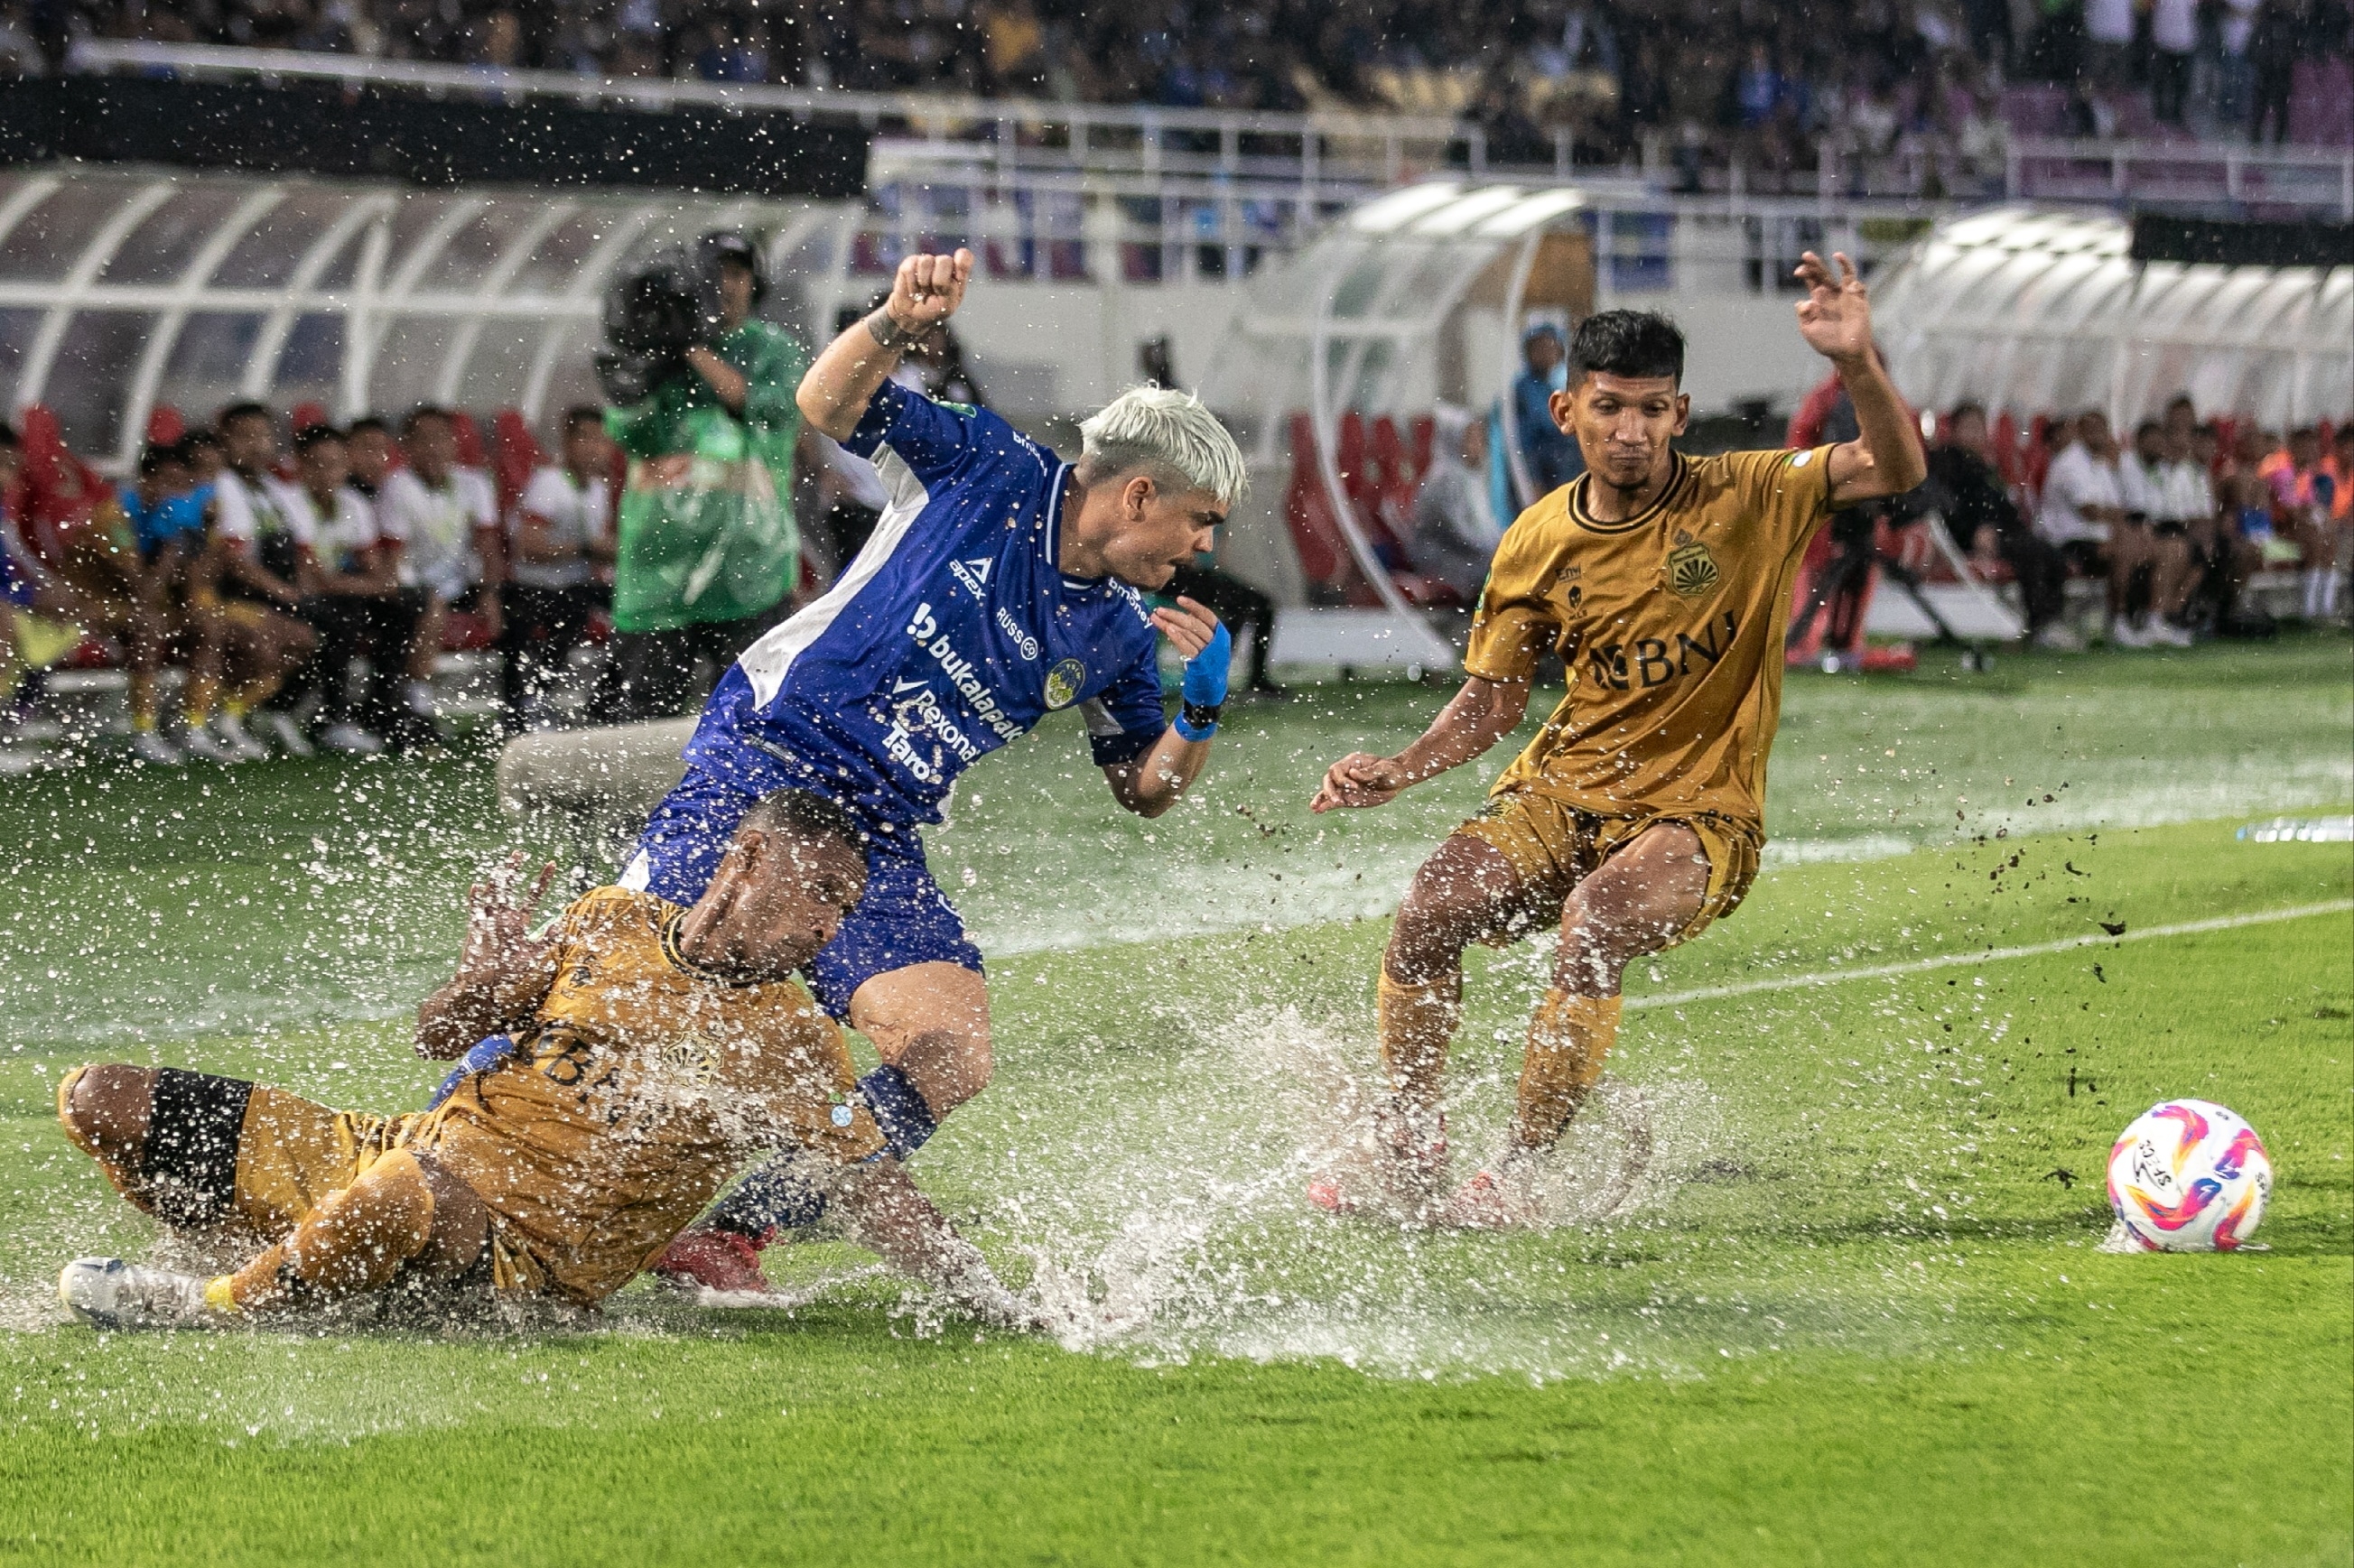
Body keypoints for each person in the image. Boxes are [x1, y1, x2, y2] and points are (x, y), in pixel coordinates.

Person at [629, 248, 1244, 1294]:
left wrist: (1199, 707)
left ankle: (735, 1234)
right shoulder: (990, 465)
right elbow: (826, 402)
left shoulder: (1118, 636)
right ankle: (451, 1151)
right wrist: (892, 323)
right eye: (1199, 523)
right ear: (1140, 494)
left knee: (950, 1051)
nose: (1197, 549)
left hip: (873, 836)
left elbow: (1144, 790)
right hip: (764, 764)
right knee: (625, 993)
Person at [1307, 264, 1928, 1229]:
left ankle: (1513, 1172)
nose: (1630, 430)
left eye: (1650, 409)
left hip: (1699, 813)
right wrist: (1401, 766)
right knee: (1430, 905)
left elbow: (1894, 469)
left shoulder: (1752, 494)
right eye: (1609, 408)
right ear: (1567, 410)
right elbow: (1491, 701)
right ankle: (1408, 1138)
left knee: (1595, 921)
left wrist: (1856, 363)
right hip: (1560, 794)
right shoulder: (1535, 541)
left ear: (1681, 412)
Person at [54, 793, 1038, 1331]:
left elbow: (871, 1185)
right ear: (742, 862)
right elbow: (439, 1036)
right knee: (100, 1098)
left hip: (526, 1253)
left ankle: (206, 1305)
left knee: (401, 1196)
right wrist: (479, 982)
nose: (828, 922)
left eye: (842, 906)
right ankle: (281, 1261)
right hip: (400, 1151)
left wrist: (992, 1301)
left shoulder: (789, 1040)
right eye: (817, 890)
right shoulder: (608, 920)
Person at [602, 233, 809, 720]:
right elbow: (630, 432)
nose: (724, 285)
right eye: (714, 273)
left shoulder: (774, 350)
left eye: (738, 273)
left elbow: (770, 408)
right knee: (641, 725)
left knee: (759, 723)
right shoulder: (656, 353)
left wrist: (691, 347)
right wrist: (648, 362)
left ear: (757, 283)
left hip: (749, 574)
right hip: (657, 576)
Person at [274, 422, 420, 754]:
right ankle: (329, 719)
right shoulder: (289, 503)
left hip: (337, 597)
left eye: (336, 464)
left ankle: (382, 711)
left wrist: (371, 585)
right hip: (291, 596)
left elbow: (377, 573)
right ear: (299, 464)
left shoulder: (353, 504)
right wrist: (369, 585)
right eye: (317, 464)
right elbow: (311, 580)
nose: (327, 473)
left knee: (403, 607)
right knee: (342, 620)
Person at [203, 403, 323, 756]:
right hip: (230, 595)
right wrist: (287, 594)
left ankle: (257, 712)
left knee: (322, 630)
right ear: (223, 441)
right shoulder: (220, 487)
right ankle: (220, 717)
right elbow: (234, 562)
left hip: (271, 594)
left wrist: (303, 588)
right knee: (275, 638)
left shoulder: (278, 491)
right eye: (244, 436)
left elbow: (302, 552)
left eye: (263, 436)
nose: (256, 445)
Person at [377, 404, 502, 735]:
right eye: (423, 440)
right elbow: (395, 559)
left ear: (454, 443)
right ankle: (417, 706)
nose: (433, 448)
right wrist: (416, 590)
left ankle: (522, 704)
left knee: (526, 609)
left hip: (461, 584)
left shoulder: (474, 484)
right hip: (411, 586)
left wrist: (489, 593)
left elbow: (487, 546)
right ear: (407, 446)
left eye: (442, 439)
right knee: (430, 607)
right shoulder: (398, 487)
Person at [499, 406, 616, 730]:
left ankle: (607, 700)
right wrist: (588, 549)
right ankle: (530, 701)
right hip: (534, 585)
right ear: (568, 443)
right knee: (573, 611)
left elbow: (602, 547)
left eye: (602, 441)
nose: (596, 449)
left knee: (634, 612)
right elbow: (528, 548)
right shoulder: (548, 484)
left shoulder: (598, 489)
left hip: (575, 583)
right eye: (587, 439)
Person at [1930, 403, 2077, 649]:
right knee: (2034, 555)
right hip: (1970, 536)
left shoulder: (1985, 465)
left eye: (1980, 427)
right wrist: (1982, 526)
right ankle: (2042, 624)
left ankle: (2049, 622)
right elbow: (1951, 507)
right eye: (1969, 427)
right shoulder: (1946, 463)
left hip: (2000, 531)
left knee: (2051, 555)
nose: (1976, 434)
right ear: (1953, 431)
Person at [1408, 404, 1505, 603]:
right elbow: (1459, 533)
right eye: (1471, 438)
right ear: (1455, 440)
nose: (1479, 444)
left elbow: (1484, 525)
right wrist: (1497, 549)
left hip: (1465, 554)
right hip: (1444, 558)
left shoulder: (1471, 477)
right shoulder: (1444, 480)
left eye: (1480, 437)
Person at [1511, 324, 1581, 497]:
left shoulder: (1561, 382)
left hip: (1570, 466)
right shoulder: (1524, 389)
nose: (1546, 352)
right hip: (1544, 469)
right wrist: (1534, 481)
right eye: (1539, 347)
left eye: (1550, 346)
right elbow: (1524, 440)